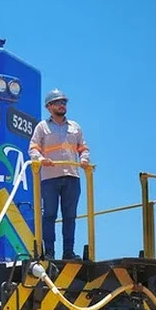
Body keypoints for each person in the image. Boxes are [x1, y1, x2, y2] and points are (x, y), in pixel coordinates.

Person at [28, 89, 90, 261]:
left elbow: (83, 148)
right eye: (58, 102)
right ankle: (49, 252)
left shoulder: (75, 127)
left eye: (64, 102)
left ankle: (68, 252)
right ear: (49, 107)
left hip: (72, 177)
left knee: (70, 216)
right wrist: (41, 159)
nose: (62, 105)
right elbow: (33, 148)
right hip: (50, 178)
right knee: (49, 215)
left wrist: (84, 159)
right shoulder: (42, 127)